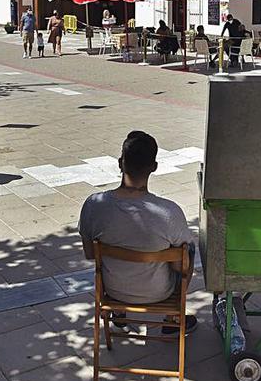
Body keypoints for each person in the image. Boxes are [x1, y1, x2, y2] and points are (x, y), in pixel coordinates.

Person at [79, 131, 197, 333]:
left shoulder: (93, 205)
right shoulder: (169, 212)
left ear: (120, 163)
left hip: (113, 290)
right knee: (188, 250)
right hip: (159, 292)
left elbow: (90, 254)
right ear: (154, 167)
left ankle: (118, 313)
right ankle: (172, 319)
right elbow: (180, 267)